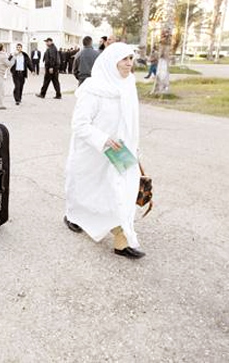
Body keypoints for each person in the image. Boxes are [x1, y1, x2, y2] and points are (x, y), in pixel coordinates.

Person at [64, 42, 145, 259]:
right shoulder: (93, 89)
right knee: (85, 190)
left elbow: (131, 121)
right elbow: (79, 124)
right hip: (92, 152)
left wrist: (134, 147)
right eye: (124, 59)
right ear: (111, 61)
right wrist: (103, 140)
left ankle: (122, 238)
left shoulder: (128, 85)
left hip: (120, 152)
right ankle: (73, 216)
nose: (130, 63)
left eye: (131, 58)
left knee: (120, 191)